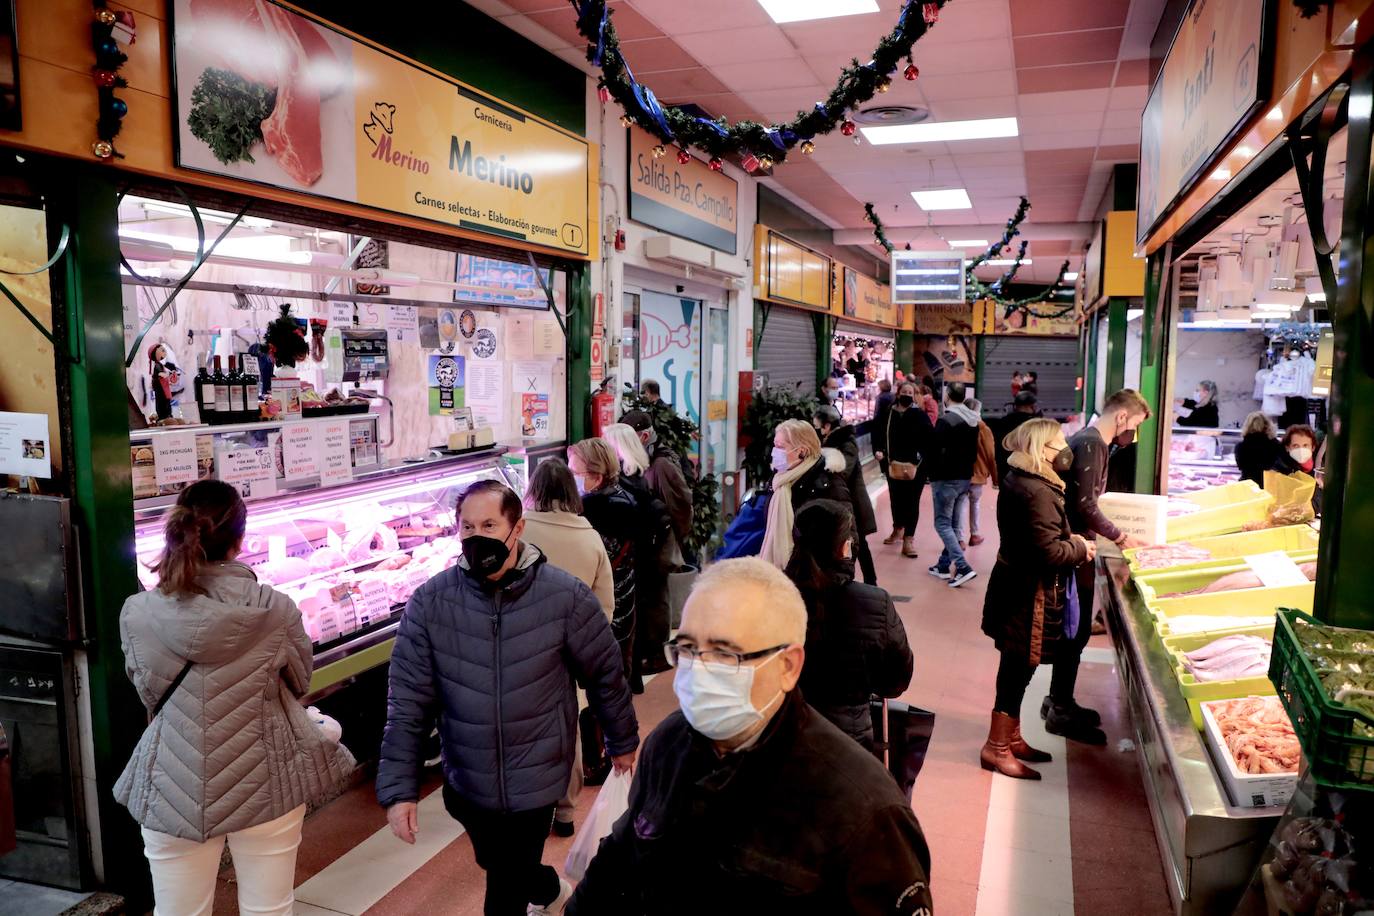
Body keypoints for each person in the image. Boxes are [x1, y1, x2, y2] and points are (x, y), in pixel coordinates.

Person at [564, 558, 933, 916]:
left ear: (788, 666)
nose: (699, 671)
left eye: (725, 654)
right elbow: (619, 860)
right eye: (688, 649)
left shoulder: (864, 811)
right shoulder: (668, 744)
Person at [378, 479, 639, 916]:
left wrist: (622, 740)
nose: (476, 536)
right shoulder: (430, 603)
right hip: (467, 778)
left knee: (503, 889)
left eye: (489, 525)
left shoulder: (564, 596)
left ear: (517, 529)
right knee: (503, 864)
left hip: (538, 772)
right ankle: (547, 887)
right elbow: (407, 702)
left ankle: (535, 888)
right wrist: (399, 788)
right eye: (467, 527)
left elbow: (605, 673)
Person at [115, 480, 355, 916]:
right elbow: (300, 680)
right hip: (266, 778)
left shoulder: (138, 610)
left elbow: (149, 691)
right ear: (240, 541)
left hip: (173, 781)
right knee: (269, 909)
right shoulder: (275, 607)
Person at [980, 419, 1095, 780]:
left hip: (1016, 587)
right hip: (1028, 596)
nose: (1065, 450)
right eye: (1058, 443)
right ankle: (997, 748)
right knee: (1017, 669)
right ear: (1040, 450)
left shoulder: (1024, 480)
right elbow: (1048, 552)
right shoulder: (1036, 491)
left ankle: (1011, 738)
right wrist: (1080, 547)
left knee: (1017, 668)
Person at [1046, 389, 1152, 744]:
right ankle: (1060, 708)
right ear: (1122, 417)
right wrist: (1121, 536)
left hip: (1077, 546)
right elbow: (1086, 505)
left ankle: (1058, 700)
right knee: (1074, 630)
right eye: (1135, 424)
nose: (1133, 432)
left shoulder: (1088, 439)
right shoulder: (1093, 444)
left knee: (1072, 628)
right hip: (1076, 550)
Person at [521, 458, 616, 838]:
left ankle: (528, 806)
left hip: (521, 650)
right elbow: (605, 603)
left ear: (534, 490)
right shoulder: (589, 538)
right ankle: (565, 811)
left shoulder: (519, 532)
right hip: (571, 654)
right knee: (567, 731)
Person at [784, 500, 913, 748]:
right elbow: (896, 680)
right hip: (849, 741)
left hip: (783, 733)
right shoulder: (876, 603)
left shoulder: (773, 596)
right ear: (844, 547)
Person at [568, 438, 642, 691]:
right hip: (623, 595)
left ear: (597, 477)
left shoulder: (603, 510)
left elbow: (596, 560)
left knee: (610, 675)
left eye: (575, 473)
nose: (570, 478)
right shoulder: (622, 497)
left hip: (612, 604)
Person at [759, 419, 849, 569]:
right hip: (778, 571)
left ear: (802, 451)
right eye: (775, 445)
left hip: (812, 572)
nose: (774, 452)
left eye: (780, 447)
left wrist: (833, 577)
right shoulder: (778, 480)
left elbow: (847, 535)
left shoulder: (828, 483)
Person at [813, 404, 879, 585]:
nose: (816, 430)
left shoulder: (846, 442)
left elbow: (843, 470)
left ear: (827, 426)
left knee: (858, 543)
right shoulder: (831, 441)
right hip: (842, 501)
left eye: (817, 426)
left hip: (852, 502)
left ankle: (869, 582)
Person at [926, 381, 980, 587]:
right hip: (964, 478)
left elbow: (933, 450)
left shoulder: (946, 421)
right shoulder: (973, 420)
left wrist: (930, 473)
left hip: (945, 478)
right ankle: (943, 565)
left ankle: (963, 566)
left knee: (942, 523)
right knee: (955, 524)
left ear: (947, 395)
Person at [880, 380, 934, 558]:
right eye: (905, 392)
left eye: (911, 393)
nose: (907, 395)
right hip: (893, 464)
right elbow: (878, 432)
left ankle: (908, 539)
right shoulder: (889, 413)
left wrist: (922, 459)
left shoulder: (920, 415)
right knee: (896, 499)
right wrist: (878, 451)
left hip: (916, 467)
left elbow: (930, 440)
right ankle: (897, 528)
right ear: (898, 393)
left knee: (912, 502)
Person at [966, 397, 998, 547]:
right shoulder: (984, 429)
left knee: (959, 505)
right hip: (977, 473)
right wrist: (996, 478)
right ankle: (974, 534)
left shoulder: (957, 425)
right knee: (975, 503)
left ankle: (958, 538)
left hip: (958, 473)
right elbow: (991, 455)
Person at [994, 391, 1040, 481]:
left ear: (1015, 405)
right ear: (1032, 406)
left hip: (1004, 471)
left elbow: (997, 447)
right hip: (1027, 472)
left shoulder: (1002, 422)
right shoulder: (1035, 424)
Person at [1234, 411, 1283, 485]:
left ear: (1247, 425)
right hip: (1270, 486)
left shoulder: (1241, 446)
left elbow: (1240, 467)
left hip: (1248, 486)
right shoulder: (1277, 445)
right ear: (1268, 425)